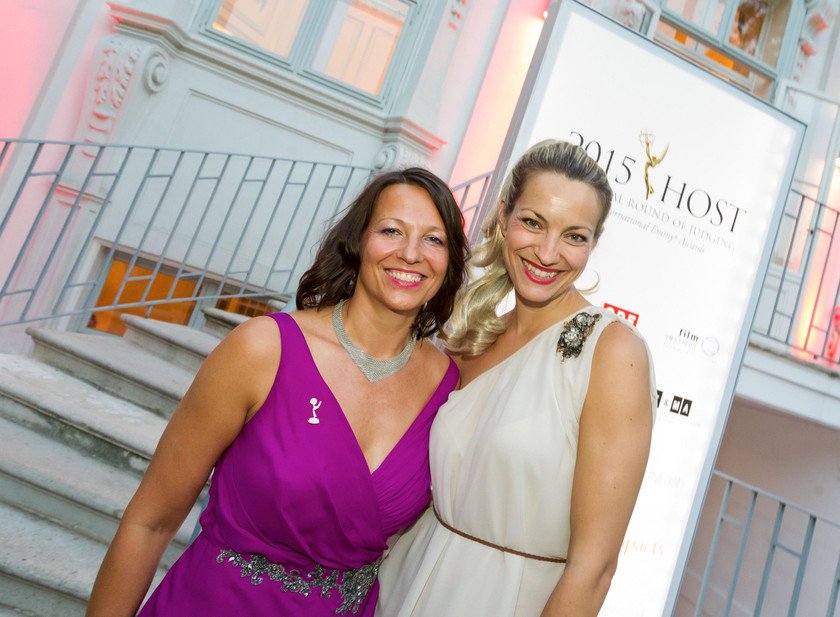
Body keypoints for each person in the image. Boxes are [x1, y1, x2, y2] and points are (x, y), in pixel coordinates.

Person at [86, 167, 469, 617]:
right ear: (358, 242)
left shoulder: (449, 386)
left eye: (433, 239)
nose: (411, 253)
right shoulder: (263, 349)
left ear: (450, 262)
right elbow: (150, 522)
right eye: (391, 231)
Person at [377, 140, 655, 617]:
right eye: (533, 222)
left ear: (594, 243)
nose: (547, 253)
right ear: (504, 215)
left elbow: (593, 569)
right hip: (404, 583)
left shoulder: (612, 353)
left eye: (574, 236)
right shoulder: (470, 339)